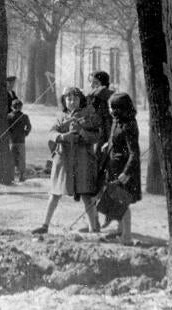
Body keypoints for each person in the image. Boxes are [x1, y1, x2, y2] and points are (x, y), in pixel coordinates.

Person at [32, 86, 101, 235]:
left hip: (82, 161)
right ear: (64, 101)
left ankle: (93, 229)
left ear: (80, 100)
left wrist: (81, 131)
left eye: (75, 98)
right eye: (68, 99)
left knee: (87, 195)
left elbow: (96, 136)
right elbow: (50, 133)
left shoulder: (89, 116)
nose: (72, 102)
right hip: (63, 161)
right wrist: (62, 137)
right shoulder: (61, 117)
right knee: (54, 194)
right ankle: (45, 225)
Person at [101, 92, 141, 245]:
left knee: (123, 202)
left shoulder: (130, 124)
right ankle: (120, 231)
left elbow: (134, 153)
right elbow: (115, 138)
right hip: (114, 167)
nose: (110, 110)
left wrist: (127, 173)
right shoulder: (117, 121)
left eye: (112, 107)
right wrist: (108, 144)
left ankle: (127, 237)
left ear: (121, 108)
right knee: (116, 200)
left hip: (124, 169)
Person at [87, 71, 113, 147]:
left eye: (95, 83)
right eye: (90, 82)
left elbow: (107, 121)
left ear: (104, 85)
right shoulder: (91, 97)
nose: (91, 85)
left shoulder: (106, 97)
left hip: (103, 136)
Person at [7, 99, 32, 182]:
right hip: (21, 140)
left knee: (11, 158)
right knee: (21, 159)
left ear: (12, 107)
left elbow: (7, 128)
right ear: (21, 107)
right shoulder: (24, 116)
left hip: (12, 141)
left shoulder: (9, 116)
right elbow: (29, 127)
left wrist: (10, 134)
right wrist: (25, 133)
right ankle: (21, 176)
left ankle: (11, 176)